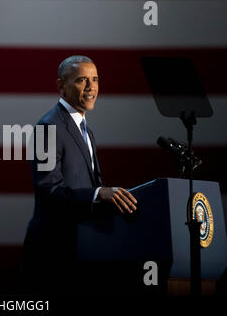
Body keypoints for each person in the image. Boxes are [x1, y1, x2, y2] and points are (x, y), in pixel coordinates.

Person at [21, 55, 138, 295]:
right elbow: (49, 191)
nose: (91, 87)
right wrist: (99, 193)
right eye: (82, 80)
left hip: (83, 250)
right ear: (61, 86)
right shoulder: (48, 128)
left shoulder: (86, 130)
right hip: (53, 255)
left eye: (95, 79)